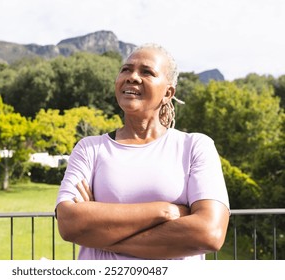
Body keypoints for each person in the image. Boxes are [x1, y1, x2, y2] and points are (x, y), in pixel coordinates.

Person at [55, 43, 230, 260]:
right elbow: (69, 223)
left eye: (146, 72)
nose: (132, 77)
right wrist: (165, 211)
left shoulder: (195, 147)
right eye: (126, 69)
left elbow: (209, 233)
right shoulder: (89, 149)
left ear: (168, 93)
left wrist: (100, 234)